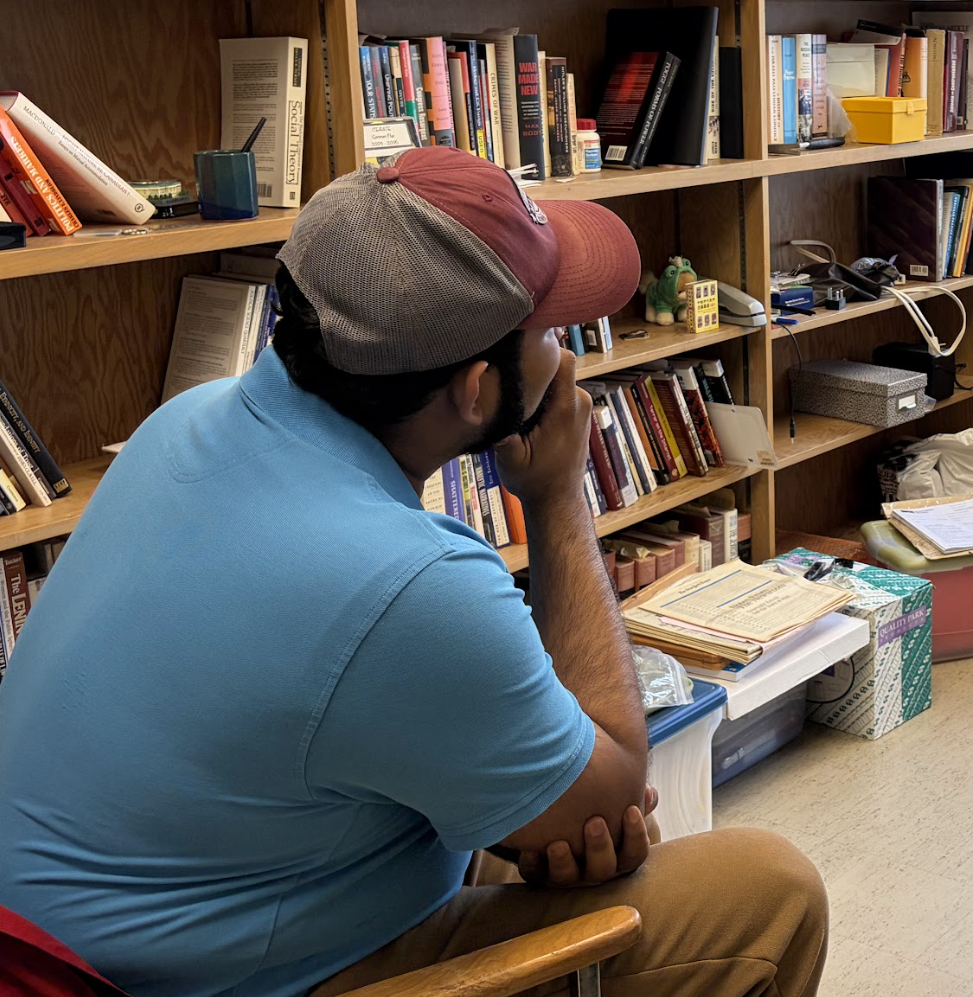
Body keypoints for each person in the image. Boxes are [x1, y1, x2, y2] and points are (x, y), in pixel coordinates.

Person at [0, 148, 827, 997]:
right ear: (476, 392)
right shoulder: (411, 582)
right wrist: (557, 504)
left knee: (543, 827)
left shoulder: (185, 421)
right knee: (769, 894)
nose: (567, 357)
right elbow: (613, 793)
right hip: (206, 981)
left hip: (71, 946)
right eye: (548, 332)